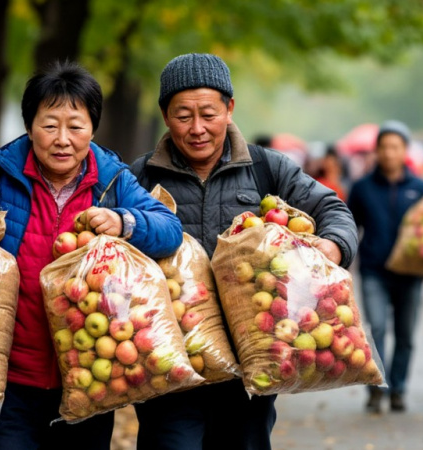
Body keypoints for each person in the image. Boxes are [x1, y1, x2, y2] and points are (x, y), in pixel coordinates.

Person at [0, 61, 183, 449]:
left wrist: (124, 221)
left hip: (89, 379)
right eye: (50, 125)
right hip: (10, 384)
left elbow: (169, 229)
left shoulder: (113, 181)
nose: (62, 139)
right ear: (30, 127)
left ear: (92, 129)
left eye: (76, 126)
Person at [130, 53, 358, 450]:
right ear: (165, 116)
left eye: (209, 114)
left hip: (251, 360)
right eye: (183, 115)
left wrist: (334, 245)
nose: (197, 128)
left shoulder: (265, 169)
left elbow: (331, 208)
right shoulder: (140, 177)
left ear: (230, 109)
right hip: (171, 364)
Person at [346, 120, 423, 413]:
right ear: (377, 151)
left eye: (395, 147)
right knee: (376, 329)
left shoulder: (421, 188)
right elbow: (349, 227)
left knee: (405, 335)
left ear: (405, 150)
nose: (389, 152)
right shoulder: (362, 187)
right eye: (384, 147)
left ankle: (399, 389)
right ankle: (377, 388)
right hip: (373, 271)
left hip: (410, 274)